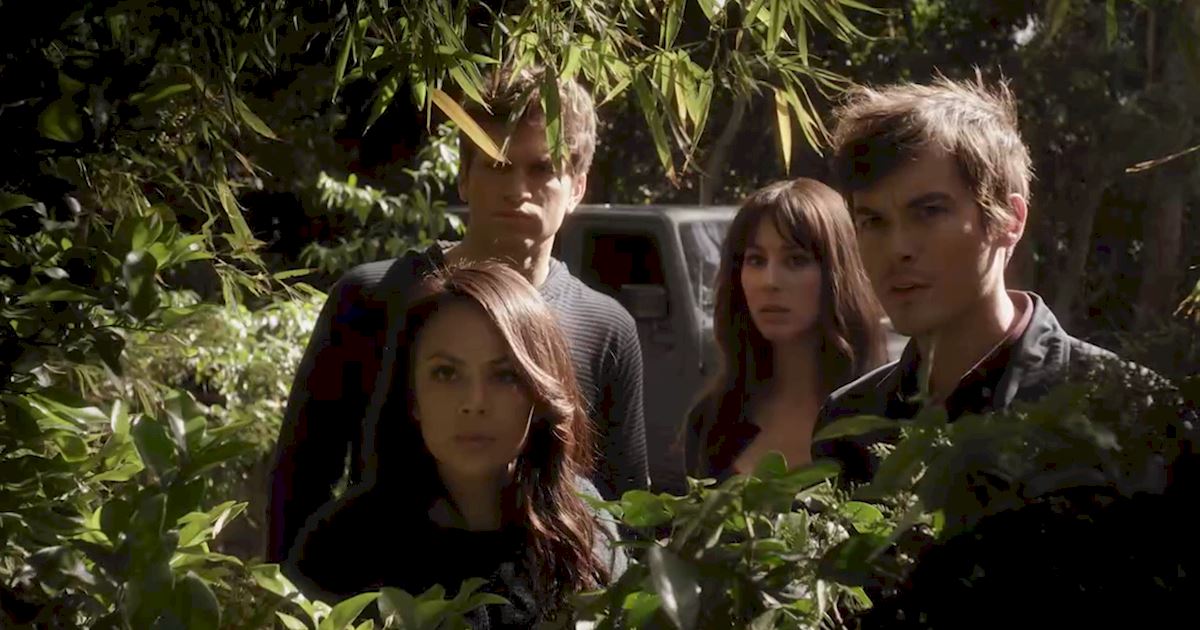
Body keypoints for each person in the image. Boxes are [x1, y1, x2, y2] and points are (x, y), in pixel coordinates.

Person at [266, 65, 649, 563]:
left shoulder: (605, 327)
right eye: (497, 165)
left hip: (545, 592)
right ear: (464, 177)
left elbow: (625, 514)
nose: (518, 189)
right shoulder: (371, 298)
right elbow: (300, 479)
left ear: (576, 186)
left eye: (542, 168)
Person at [810, 74, 1141, 483]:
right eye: (873, 221)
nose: (898, 248)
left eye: (929, 212)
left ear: (1009, 220)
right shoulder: (847, 423)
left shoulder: (1123, 410)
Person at [284, 261, 626, 627]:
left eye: (504, 375)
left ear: (538, 393)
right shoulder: (341, 549)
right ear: (412, 395)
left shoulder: (584, 528)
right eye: (446, 373)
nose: (474, 402)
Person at [684, 178, 888, 483]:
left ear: (837, 274)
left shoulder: (884, 417)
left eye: (795, 260)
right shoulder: (712, 421)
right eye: (756, 260)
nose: (770, 281)